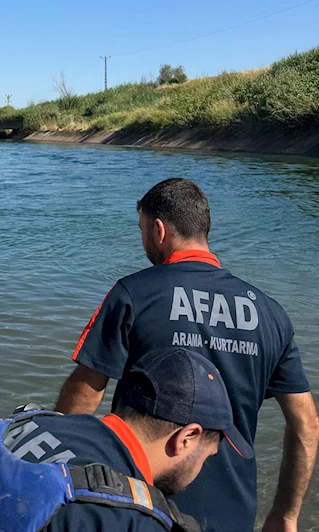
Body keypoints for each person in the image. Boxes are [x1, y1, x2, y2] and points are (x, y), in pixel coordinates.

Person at [54, 178, 319, 532]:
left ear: (159, 230)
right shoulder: (270, 314)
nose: (143, 240)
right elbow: (305, 423)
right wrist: (286, 514)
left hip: (141, 507)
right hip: (234, 512)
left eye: (142, 230)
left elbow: (86, 392)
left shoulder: (134, 294)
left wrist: (53, 466)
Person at [0, 348, 253, 532]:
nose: (202, 468)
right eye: (208, 455)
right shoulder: (124, 519)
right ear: (187, 438)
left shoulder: (25, 425)